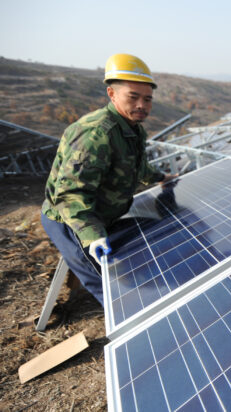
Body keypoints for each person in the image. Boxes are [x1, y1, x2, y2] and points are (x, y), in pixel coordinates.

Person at [41, 53, 175, 306]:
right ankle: (131, 326)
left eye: (147, 99)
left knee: (151, 238)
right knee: (108, 287)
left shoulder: (133, 128)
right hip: (73, 221)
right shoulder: (96, 134)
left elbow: (137, 167)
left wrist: (161, 177)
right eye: (133, 97)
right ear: (112, 94)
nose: (142, 105)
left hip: (104, 215)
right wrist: (92, 235)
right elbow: (69, 195)